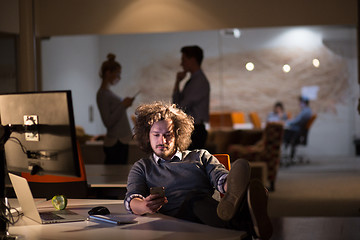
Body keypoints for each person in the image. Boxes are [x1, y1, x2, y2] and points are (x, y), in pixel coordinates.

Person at [125, 101, 273, 240]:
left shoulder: (200, 156)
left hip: (209, 215)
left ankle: (242, 204)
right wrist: (144, 205)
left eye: (168, 135)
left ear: (177, 135)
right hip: (174, 220)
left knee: (204, 196)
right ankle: (249, 222)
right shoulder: (142, 167)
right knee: (193, 198)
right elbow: (131, 199)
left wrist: (232, 186)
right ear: (147, 136)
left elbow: (220, 178)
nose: (162, 141)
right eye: (156, 135)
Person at [96, 53, 134, 164]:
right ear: (108, 73)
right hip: (116, 143)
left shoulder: (107, 93)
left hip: (120, 141)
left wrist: (124, 105)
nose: (119, 78)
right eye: (117, 74)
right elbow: (108, 122)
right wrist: (123, 105)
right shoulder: (103, 94)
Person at [172, 45, 210, 150]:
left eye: (183, 59)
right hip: (192, 128)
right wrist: (177, 82)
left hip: (195, 130)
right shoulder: (193, 81)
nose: (181, 64)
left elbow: (180, 107)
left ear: (192, 60)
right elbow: (177, 105)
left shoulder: (199, 82)